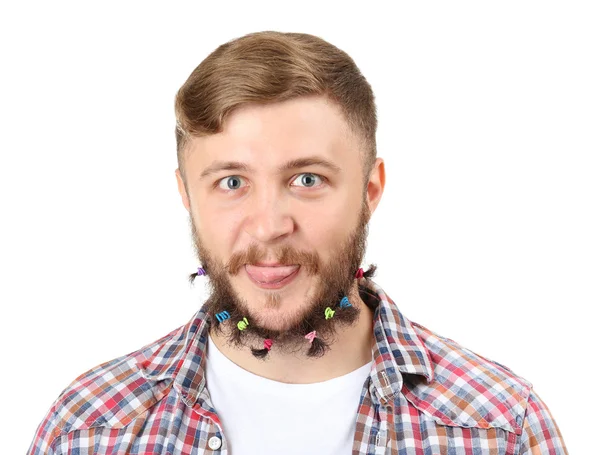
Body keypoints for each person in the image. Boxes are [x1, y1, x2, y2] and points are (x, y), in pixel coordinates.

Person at [28, 30, 568, 455]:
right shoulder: (88, 430)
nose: (268, 227)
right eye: (231, 183)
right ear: (187, 195)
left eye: (307, 180)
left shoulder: (502, 429)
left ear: (370, 189)